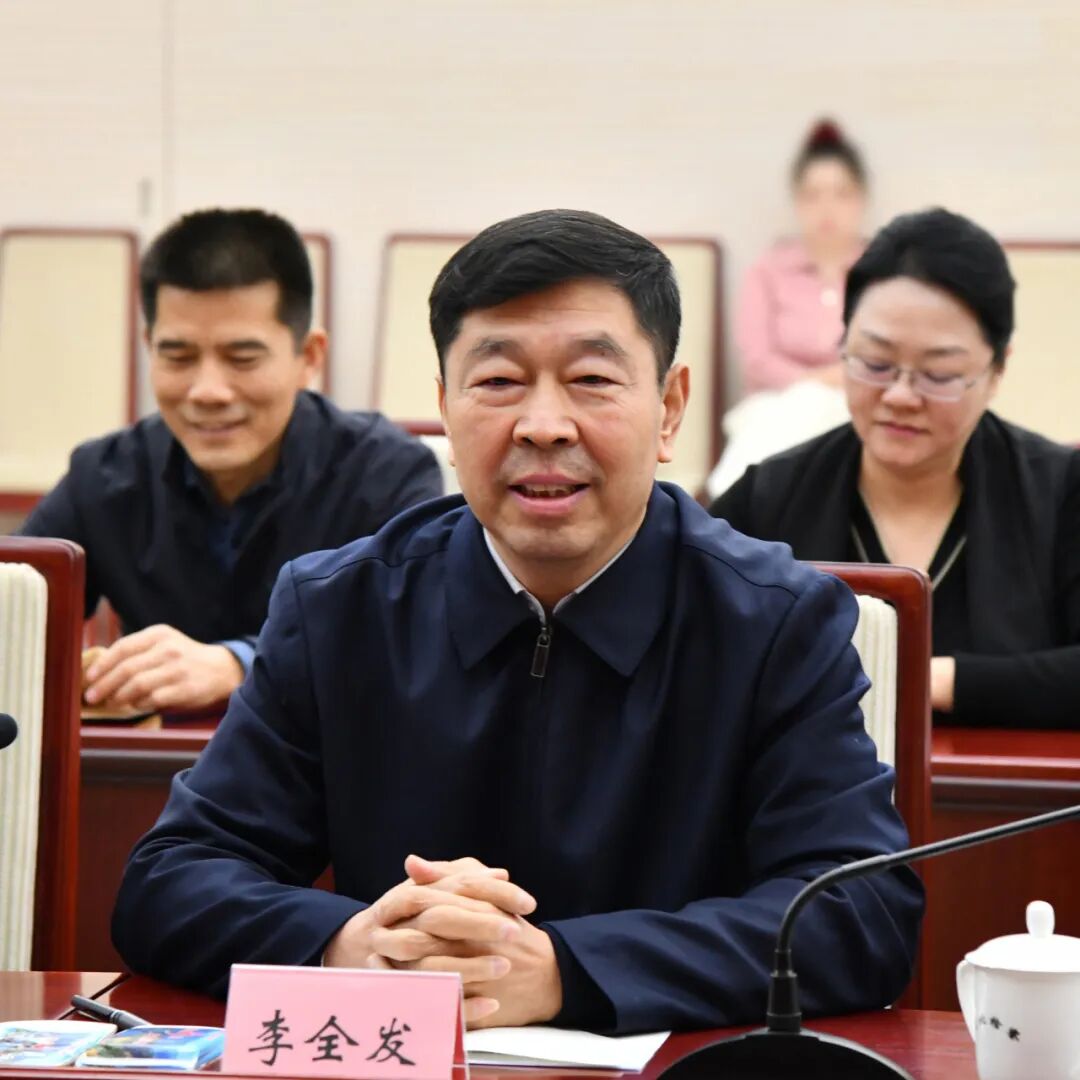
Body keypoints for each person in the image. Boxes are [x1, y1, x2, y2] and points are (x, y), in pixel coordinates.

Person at [112, 209, 923, 1033]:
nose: (543, 425)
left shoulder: (776, 621)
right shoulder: (338, 609)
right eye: (498, 382)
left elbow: (858, 912)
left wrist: (567, 970)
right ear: (444, 409)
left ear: (671, 408)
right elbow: (170, 880)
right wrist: (351, 944)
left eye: (592, 380)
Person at [20, 209, 441, 713]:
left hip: (329, 759)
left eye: (242, 359)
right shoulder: (101, 476)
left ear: (309, 355)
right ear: (149, 347)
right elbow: (15, 609)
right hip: (157, 759)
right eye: (178, 357)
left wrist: (239, 663)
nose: (207, 391)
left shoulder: (387, 474)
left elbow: (410, 640)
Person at [711, 208, 1080, 730]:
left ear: (997, 371)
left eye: (939, 374)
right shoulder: (765, 499)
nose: (901, 396)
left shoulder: (1062, 493)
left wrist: (932, 680)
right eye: (875, 364)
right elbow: (699, 663)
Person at [706, 120, 868, 498]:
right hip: (777, 406)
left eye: (841, 194)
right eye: (813, 195)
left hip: (858, 404)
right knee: (796, 420)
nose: (827, 208)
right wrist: (817, 383)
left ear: (861, 200)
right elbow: (757, 361)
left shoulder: (883, 271)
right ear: (796, 202)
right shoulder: (768, 271)